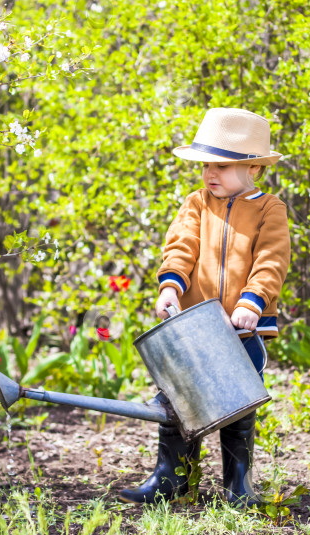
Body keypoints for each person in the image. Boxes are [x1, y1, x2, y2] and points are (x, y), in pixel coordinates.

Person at [119, 108, 291, 507]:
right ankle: (173, 478)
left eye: (222, 166)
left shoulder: (269, 209)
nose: (210, 173)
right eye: (205, 166)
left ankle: (238, 485)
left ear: (253, 168)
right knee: (179, 398)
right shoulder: (197, 203)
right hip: (194, 325)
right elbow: (180, 249)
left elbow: (272, 260)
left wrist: (253, 300)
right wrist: (170, 287)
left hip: (242, 327)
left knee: (238, 402)